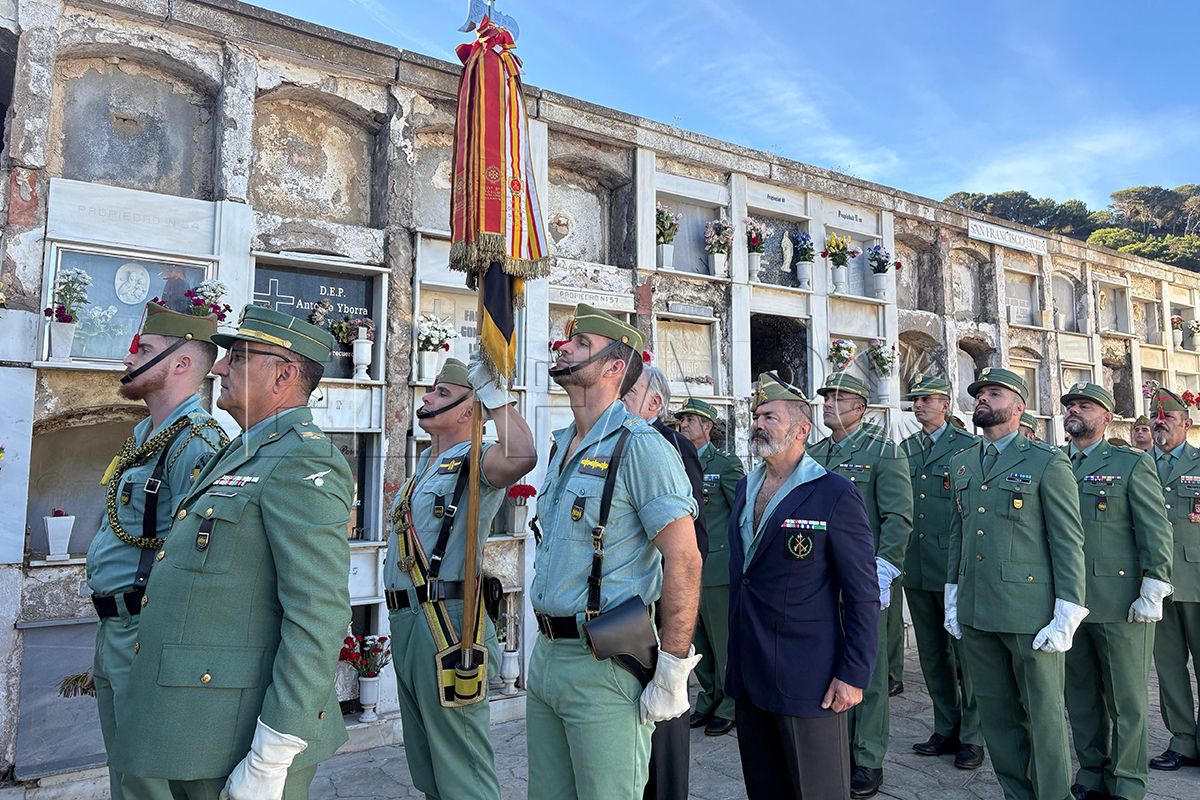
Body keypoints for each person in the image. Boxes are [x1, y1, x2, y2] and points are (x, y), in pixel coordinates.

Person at [113, 305, 354, 800]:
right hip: (199, 721)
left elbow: (318, 614)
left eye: (240, 357)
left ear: (284, 374)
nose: (220, 366)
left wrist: (273, 753)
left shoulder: (303, 459)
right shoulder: (243, 450)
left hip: (240, 732)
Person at [527, 304, 702, 800]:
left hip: (603, 660)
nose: (564, 347)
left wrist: (672, 663)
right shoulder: (563, 445)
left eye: (581, 344)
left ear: (614, 367)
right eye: (568, 340)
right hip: (546, 657)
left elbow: (684, 558)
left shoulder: (641, 447)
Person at [87, 303, 227, 800]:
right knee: (126, 770)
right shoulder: (145, 436)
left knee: (148, 778)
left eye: (144, 350)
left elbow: (207, 557)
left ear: (182, 364)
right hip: (118, 628)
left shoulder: (198, 442)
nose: (128, 360)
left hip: (149, 631)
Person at [383, 358, 536, 800]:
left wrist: (497, 396)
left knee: (462, 763)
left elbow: (523, 456)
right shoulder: (426, 465)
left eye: (442, 393)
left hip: (447, 621)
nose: (427, 398)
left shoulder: (477, 456)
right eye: (430, 391)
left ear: (469, 411)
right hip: (408, 620)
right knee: (429, 760)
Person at [727, 371, 879, 799]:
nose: (758, 423)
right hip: (750, 670)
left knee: (816, 790)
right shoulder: (745, 486)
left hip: (808, 677)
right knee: (765, 787)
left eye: (770, 416)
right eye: (756, 415)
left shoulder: (833, 493)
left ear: (801, 429)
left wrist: (853, 673)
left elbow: (863, 593)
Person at [944, 367, 1088, 800]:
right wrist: (954, 592)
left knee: (1043, 715)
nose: (983, 399)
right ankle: (1016, 794)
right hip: (976, 607)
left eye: (994, 393)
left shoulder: (1046, 460)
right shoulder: (963, 461)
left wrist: (1068, 607)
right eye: (980, 394)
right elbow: (959, 532)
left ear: (1019, 407)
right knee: (997, 716)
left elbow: (1067, 539)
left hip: (1030, 612)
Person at [1060, 382, 1172, 800]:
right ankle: (1092, 770)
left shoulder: (1129, 464)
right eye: (1070, 406)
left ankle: (1127, 781)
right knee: (1082, 696)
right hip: (1068, 603)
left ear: (1106, 418)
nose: (1075, 411)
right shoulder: (1053, 462)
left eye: (1085, 406)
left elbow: (1155, 529)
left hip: (1121, 602)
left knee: (1126, 701)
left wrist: (1154, 583)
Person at [806, 372, 911, 799]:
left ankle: (867, 756)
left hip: (865, 580)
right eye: (826, 396)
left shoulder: (884, 452)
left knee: (866, 669)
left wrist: (884, 569)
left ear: (861, 407)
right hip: (819, 580)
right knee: (827, 664)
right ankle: (835, 748)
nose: (828, 403)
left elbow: (898, 517)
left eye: (839, 397)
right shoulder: (813, 453)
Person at [622, 364, 708, 800]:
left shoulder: (671, 444)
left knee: (664, 705)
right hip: (623, 608)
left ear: (654, 403)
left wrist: (675, 595)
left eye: (629, 390)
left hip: (658, 601)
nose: (619, 396)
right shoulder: (612, 441)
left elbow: (694, 539)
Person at [898, 374, 984, 770]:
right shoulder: (906, 448)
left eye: (927, 399)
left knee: (966, 655)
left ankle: (973, 735)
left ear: (946, 404)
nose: (918, 405)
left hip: (954, 568)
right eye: (915, 399)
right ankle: (945, 726)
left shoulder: (968, 447)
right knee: (933, 655)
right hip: (916, 566)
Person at [676, 397, 745, 737]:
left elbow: (741, 515)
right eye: (682, 419)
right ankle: (708, 697)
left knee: (723, 639)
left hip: (717, 566)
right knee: (696, 638)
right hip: (685, 565)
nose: (683, 424)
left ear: (707, 426)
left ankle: (730, 703)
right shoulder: (676, 459)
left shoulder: (726, 464)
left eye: (690, 419)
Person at [1148, 388, 1200, 772]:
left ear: (1187, 424)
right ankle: (1182, 741)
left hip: (1198, 580)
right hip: (1156, 584)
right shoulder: (1137, 464)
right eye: (1154, 417)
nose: (1159, 423)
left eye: (1167, 417)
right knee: (1168, 667)